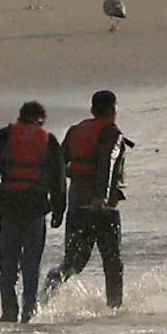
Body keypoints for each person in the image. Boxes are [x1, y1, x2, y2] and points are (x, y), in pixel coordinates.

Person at [41, 91, 130, 309]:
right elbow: (107, 164)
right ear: (113, 110)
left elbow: (58, 165)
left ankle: (42, 298)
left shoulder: (75, 132)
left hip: (77, 205)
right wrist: (101, 197)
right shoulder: (112, 133)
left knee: (73, 262)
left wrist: (60, 203)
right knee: (112, 262)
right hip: (103, 208)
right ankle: (115, 309)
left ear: (92, 110)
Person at [0, 99, 65, 323]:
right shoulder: (48, 140)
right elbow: (58, 181)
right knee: (31, 265)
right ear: (41, 119)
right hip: (35, 210)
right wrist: (59, 210)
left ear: (20, 116)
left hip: (8, 208)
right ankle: (29, 311)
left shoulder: (4, 136)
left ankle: (8, 312)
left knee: (7, 266)